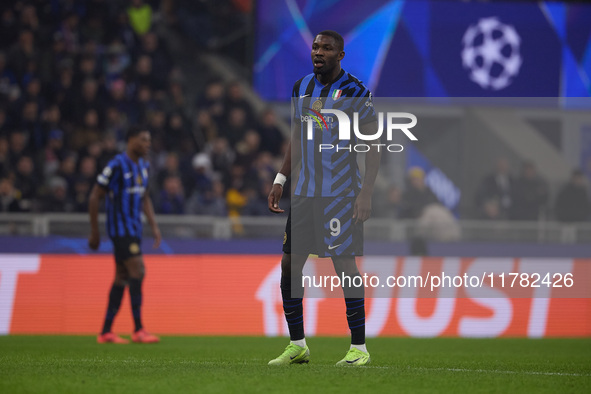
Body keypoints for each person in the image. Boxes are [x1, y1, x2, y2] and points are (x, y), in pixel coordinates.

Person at [267, 30, 380, 366]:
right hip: (303, 193)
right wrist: (280, 178)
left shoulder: (357, 92)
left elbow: (373, 145)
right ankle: (297, 344)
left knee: (344, 265)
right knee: (290, 264)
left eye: (327, 48)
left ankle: (359, 348)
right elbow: (298, 136)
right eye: (316, 47)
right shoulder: (302, 88)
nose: (319, 52)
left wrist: (366, 194)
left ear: (340, 55)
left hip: (341, 195)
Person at [88, 125, 161, 344]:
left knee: (121, 277)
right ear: (130, 140)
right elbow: (95, 196)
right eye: (143, 139)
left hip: (134, 230)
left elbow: (145, 197)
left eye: (149, 140)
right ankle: (138, 329)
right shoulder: (117, 165)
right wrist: (94, 232)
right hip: (120, 231)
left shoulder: (144, 166)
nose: (148, 144)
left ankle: (106, 332)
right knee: (138, 270)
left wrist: (154, 226)